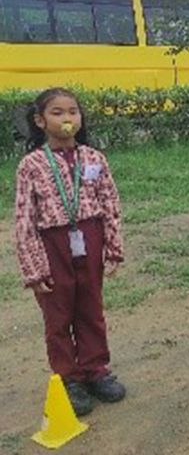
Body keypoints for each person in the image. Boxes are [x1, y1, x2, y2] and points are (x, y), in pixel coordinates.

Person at [14, 88, 126, 416]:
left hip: (89, 239)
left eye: (73, 112)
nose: (67, 119)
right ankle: (69, 377)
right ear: (40, 120)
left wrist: (113, 248)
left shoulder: (94, 159)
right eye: (57, 113)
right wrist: (33, 269)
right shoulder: (30, 165)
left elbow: (110, 204)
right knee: (58, 314)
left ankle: (95, 370)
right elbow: (24, 219)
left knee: (91, 308)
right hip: (52, 245)